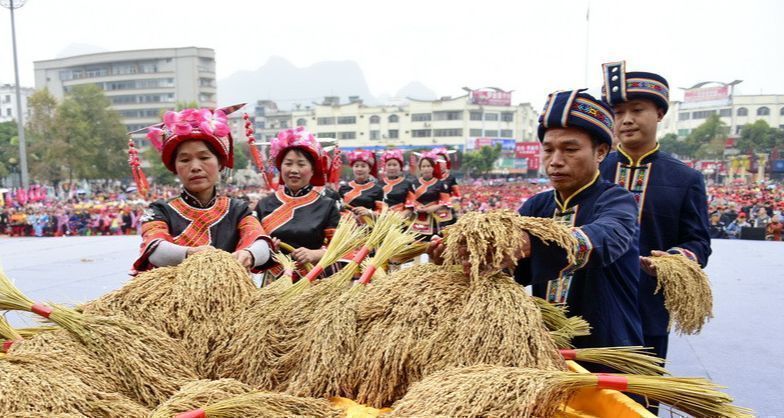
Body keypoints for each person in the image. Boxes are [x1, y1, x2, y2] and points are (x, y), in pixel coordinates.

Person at [433, 89, 643, 352]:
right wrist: (463, 260)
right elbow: (510, 271)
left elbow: (607, 237)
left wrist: (530, 243)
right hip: (547, 345)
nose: (555, 161)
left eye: (570, 149)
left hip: (608, 347)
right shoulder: (536, 205)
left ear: (600, 152)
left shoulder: (617, 200)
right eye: (548, 150)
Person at [599, 61, 711, 365]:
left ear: (660, 114)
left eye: (637, 110)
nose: (626, 120)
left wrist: (672, 259)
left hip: (647, 308)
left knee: (640, 401)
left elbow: (699, 242)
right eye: (618, 113)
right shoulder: (593, 171)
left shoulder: (685, 179)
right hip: (589, 306)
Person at [132, 104, 273, 274]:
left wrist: (249, 254)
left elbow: (261, 243)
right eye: (185, 160)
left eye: (204, 157)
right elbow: (155, 250)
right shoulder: (160, 211)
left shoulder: (238, 210)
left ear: (220, 163)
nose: (195, 167)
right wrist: (191, 254)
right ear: (174, 167)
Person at [255, 127, 341, 277]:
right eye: (288, 164)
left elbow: (340, 247)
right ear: (280, 167)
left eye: (301, 164)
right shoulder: (264, 205)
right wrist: (266, 248)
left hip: (313, 281)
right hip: (272, 283)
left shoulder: (327, 205)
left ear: (313, 170)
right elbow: (251, 245)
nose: (294, 170)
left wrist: (316, 254)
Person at [408, 151, 451, 240]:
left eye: (429, 166)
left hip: (435, 218)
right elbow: (410, 200)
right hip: (418, 217)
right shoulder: (413, 184)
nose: (426, 169)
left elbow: (446, 201)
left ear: (433, 168)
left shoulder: (440, 184)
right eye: (423, 166)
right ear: (420, 168)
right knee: (418, 242)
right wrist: (417, 207)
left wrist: (433, 208)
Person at [338, 149, 385, 221]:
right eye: (356, 166)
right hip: (348, 228)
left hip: (370, 229)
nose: (359, 169)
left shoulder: (377, 190)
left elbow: (382, 214)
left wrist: (369, 213)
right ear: (352, 168)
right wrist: (347, 216)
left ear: (369, 169)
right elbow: (338, 211)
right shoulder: (343, 188)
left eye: (363, 166)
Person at [378, 149, 413, 217]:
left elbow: (411, 206)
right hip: (382, 220)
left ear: (400, 167)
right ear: (385, 167)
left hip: (401, 220)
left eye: (394, 165)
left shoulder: (407, 184)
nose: (392, 168)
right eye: (389, 165)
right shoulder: (378, 185)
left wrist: (402, 215)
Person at [433, 147, 460, 229]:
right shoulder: (429, 178)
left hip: (447, 211)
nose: (439, 163)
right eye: (436, 161)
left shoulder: (450, 178)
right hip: (431, 212)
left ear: (446, 163)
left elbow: (457, 195)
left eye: (441, 161)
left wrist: (446, 202)